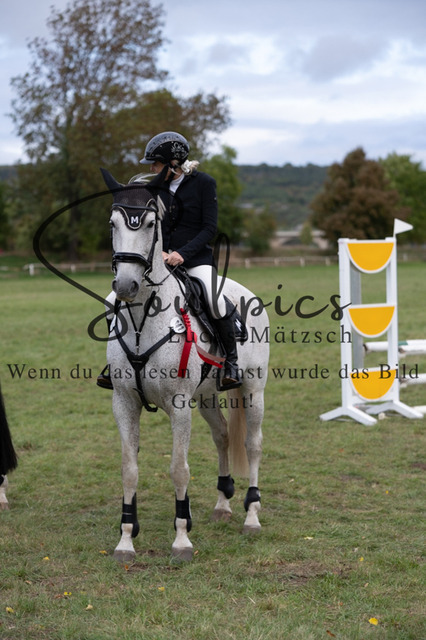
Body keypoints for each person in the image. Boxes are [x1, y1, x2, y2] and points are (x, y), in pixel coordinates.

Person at [97, 131, 241, 390]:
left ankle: (231, 362)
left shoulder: (204, 183)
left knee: (215, 300)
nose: (152, 169)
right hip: (159, 262)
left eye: (156, 164)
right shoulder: (154, 188)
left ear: (173, 164)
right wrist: (160, 253)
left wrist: (182, 253)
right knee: (111, 301)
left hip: (196, 260)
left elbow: (209, 228)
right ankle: (115, 364)